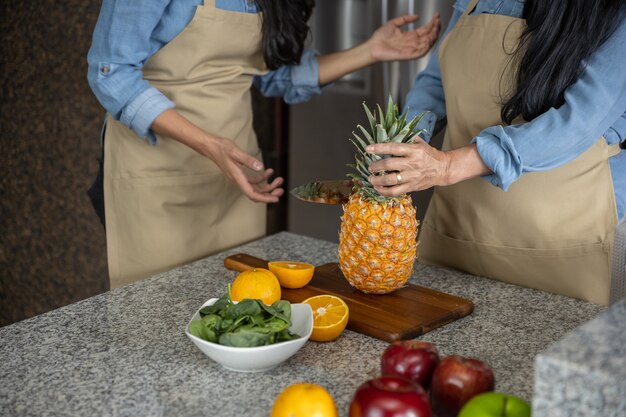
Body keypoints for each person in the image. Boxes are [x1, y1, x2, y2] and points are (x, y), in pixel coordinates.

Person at [86, 0, 441, 288]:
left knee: (243, 310)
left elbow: (279, 77)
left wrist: (371, 51)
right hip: (155, 177)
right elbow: (110, 71)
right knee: (156, 318)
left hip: (236, 182)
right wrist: (210, 145)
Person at [365, 0, 626, 305]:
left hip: (565, 253)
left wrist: (448, 166)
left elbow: (578, 122)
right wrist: (404, 145)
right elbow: (436, 83)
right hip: (455, 235)